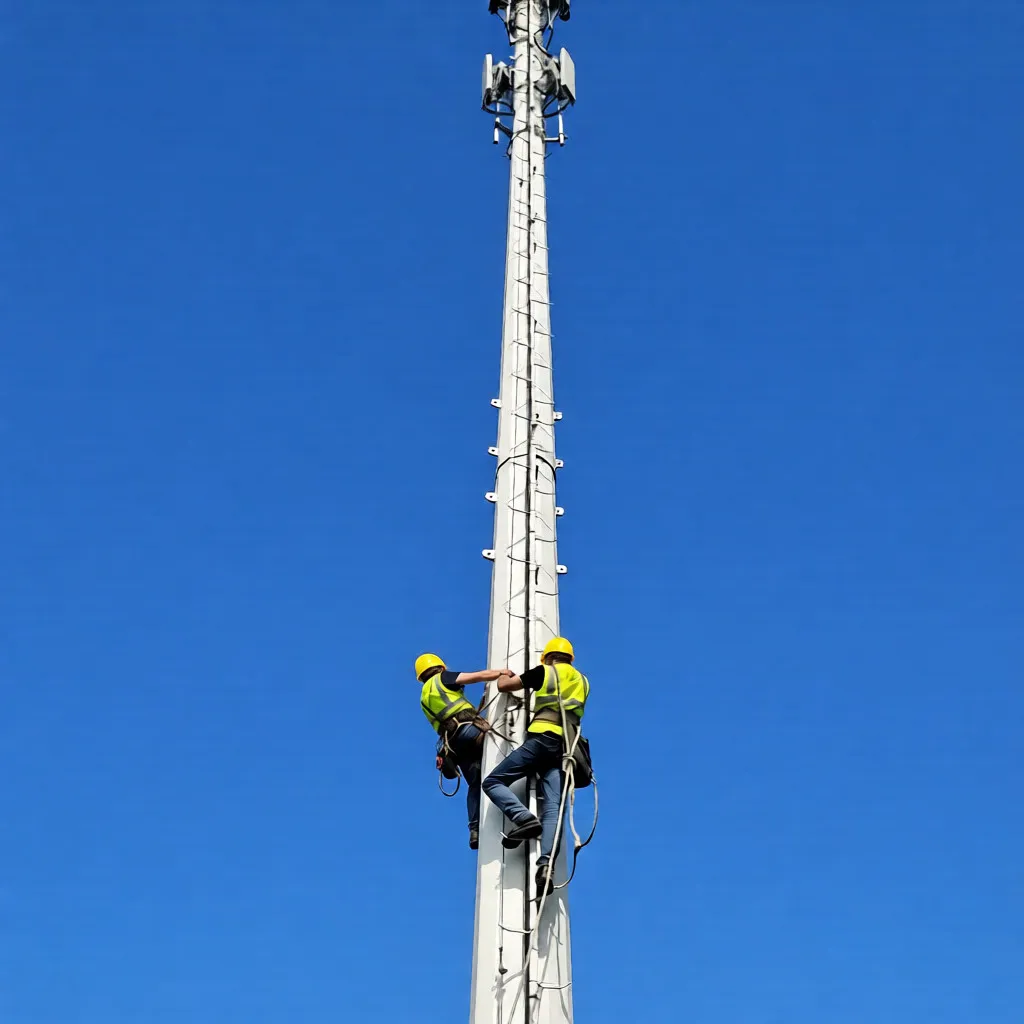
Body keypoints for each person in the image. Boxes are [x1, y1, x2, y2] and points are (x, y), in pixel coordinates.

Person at [481, 637, 590, 896]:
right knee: (553, 808)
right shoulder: (583, 681)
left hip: (542, 738)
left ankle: (524, 818)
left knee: (493, 782)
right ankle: (546, 866)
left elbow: (506, 686)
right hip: (566, 748)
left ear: (549, 656)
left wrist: (502, 676)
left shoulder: (546, 672)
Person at [416, 653, 512, 850]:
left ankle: (474, 828)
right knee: (504, 740)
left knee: (475, 784)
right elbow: (474, 676)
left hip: (454, 745)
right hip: (469, 731)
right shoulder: (442, 679)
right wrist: (500, 673)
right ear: (439, 667)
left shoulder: (424, 697)